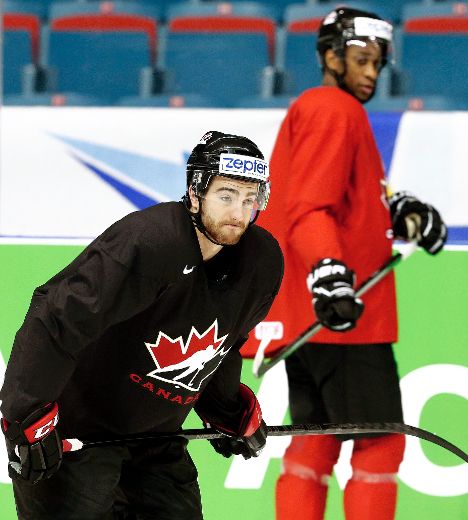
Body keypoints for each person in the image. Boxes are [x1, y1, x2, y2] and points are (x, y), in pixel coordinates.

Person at [0, 130, 284, 519]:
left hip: (156, 441)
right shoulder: (152, 241)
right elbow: (55, 318)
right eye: (226, 195)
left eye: (250, 199)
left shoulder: (261, 262)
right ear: (196, 192)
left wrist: (228, 410)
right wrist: (25, 416)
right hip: (79, 435)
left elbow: (221, 348)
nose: (239, 213)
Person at [256, 8, 448, 520]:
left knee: (315, 443)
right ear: (329, 56)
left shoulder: (322, 108)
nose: (370, 72)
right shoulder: (333, 108)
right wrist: (330, 273)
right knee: (381, 446)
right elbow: (309, 208)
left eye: (377, 63)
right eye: (361, 59)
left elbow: (337, 199)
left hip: (316, 316)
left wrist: (398, 210)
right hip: (346, 317)